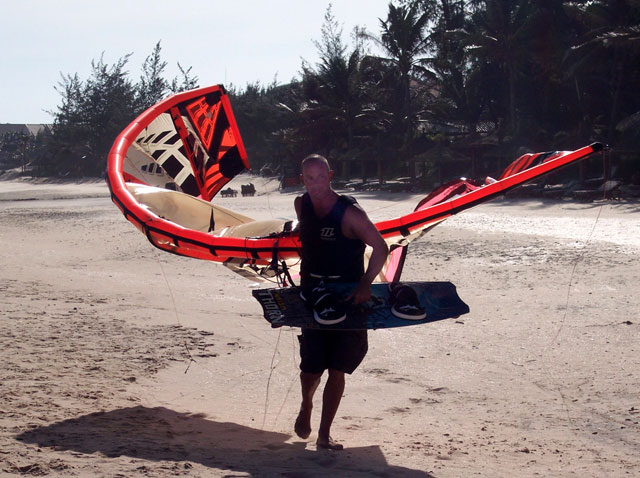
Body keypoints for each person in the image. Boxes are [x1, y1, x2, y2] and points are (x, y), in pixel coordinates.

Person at [293, 154, 389, 450]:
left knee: (338, 368)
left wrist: (365, 284)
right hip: (312, 291)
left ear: (330, 176)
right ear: (303, 180)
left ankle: (324, 434)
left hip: (348, 296)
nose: (316, 185)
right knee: (310, 366)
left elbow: (381, 247)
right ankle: (306, 404)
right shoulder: (301, 204)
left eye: (321, 178)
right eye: (310, 179)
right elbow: (307, 231)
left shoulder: (350, 213)